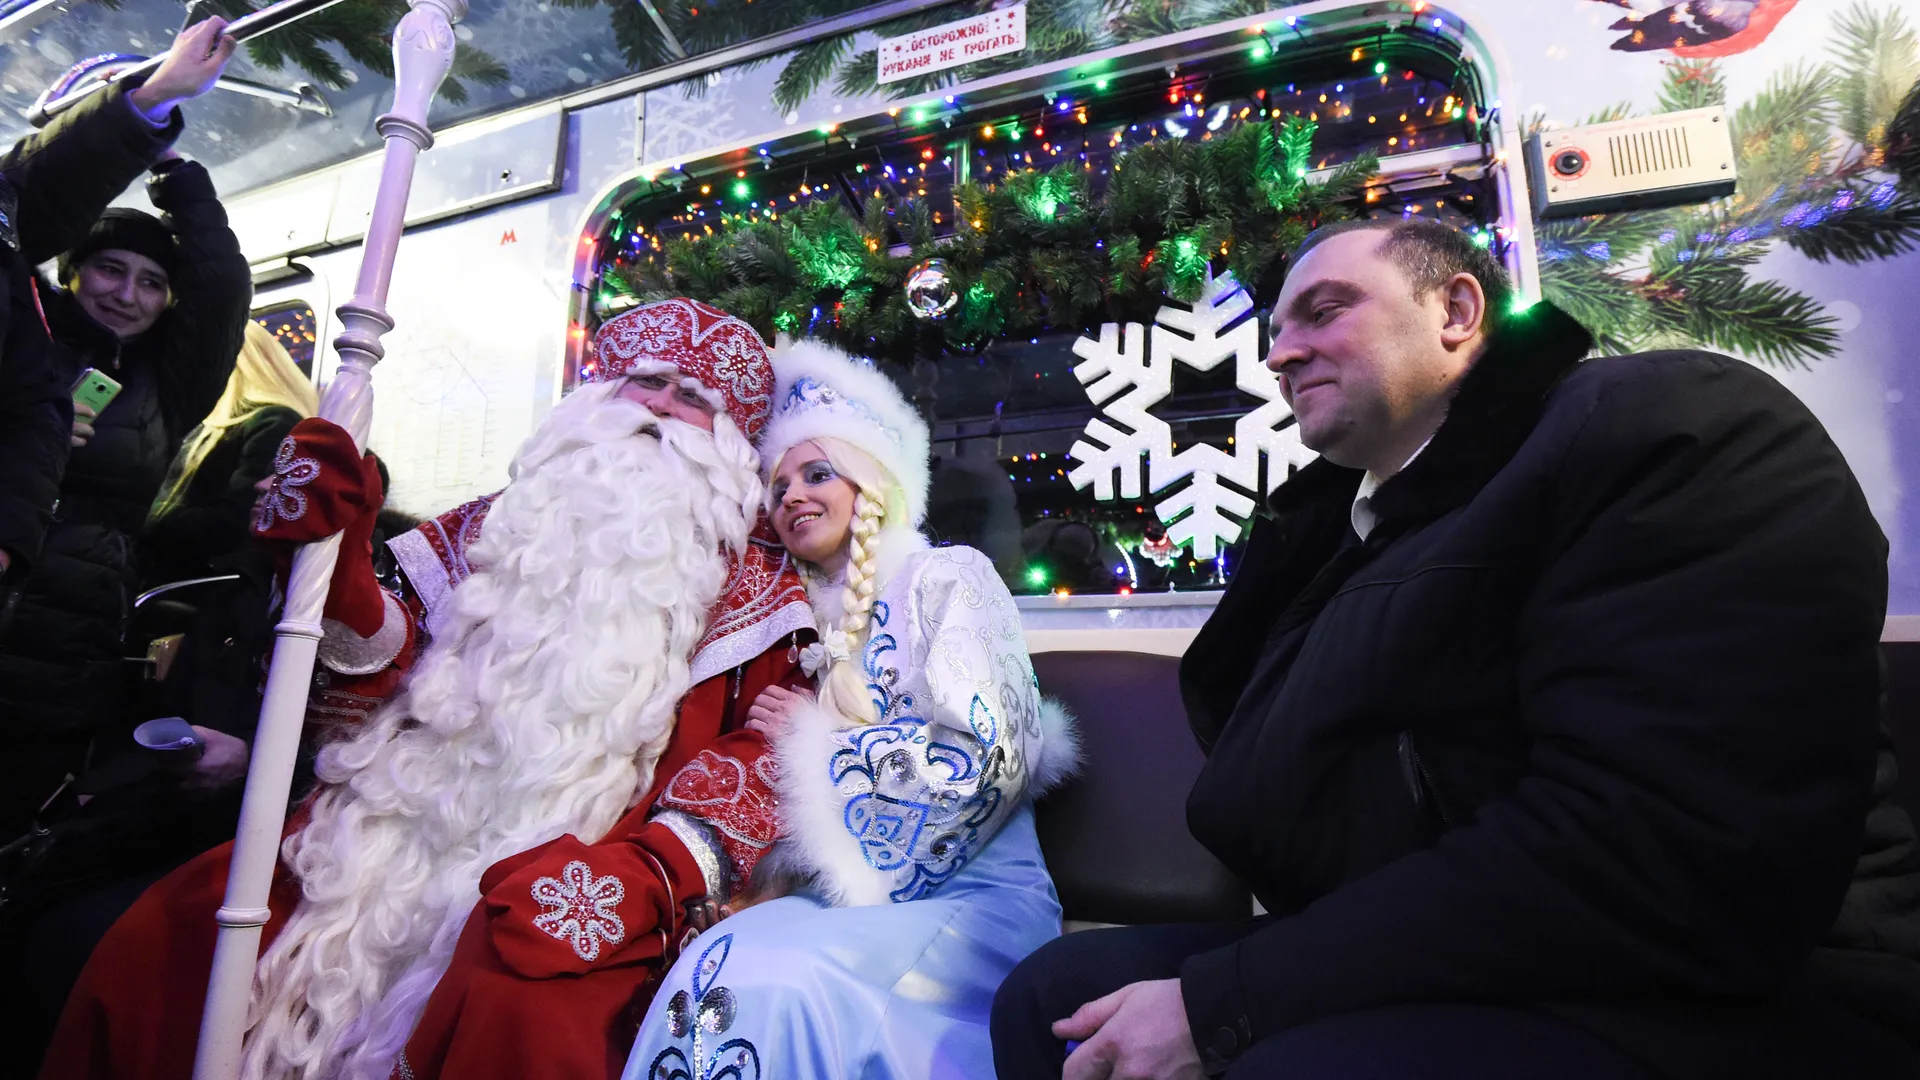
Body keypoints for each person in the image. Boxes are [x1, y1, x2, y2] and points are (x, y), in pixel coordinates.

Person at [990, 218, 1920, 1079]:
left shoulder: (1664, 428)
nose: (1279, 353)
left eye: (1326, 309)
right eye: (1276, 331)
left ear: (1457, 310)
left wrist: (1227, 1003)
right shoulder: (1351, 528)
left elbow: (1652, 847)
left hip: (1730, 974)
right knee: (1057, 996)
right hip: (1471, 942)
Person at [42, 298, 818, 1080]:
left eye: (695, 399)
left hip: (598, 866)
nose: (661, 408)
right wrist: (337, 567)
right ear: (594, 397)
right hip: (387, 840)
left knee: (533, 1028)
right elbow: (371, 680)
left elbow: (768, 749)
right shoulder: (493, 524)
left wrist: (652, 875)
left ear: (729, 446)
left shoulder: (760, 589)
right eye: (646, 381)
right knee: (160, 940)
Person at [623, 339, 1079, 1080]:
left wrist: (819, 742)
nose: (792, 496)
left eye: (817, 473)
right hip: (847, 898)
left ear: (869, 483)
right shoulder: (799, 623)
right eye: (778, 486)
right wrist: (758, 886)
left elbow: (990, 759)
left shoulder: (949, 576)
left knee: (763, 984)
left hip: (971, 896)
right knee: (710, 963)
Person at [0, 16, 251, 840]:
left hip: (70, 653)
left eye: (150, 281)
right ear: (71, 274)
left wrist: (171, 166)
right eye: (110, 268)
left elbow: (219, 287)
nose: (127, 293)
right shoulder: (26, 340)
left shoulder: (165, 388)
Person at [141, 320, 318, 588]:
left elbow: (238, 518)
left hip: (197, 584)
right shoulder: (210, 423)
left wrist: (142, 523)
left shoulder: (272, 422)